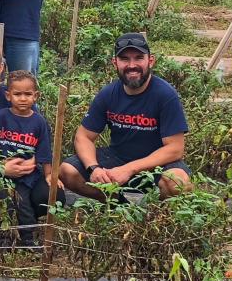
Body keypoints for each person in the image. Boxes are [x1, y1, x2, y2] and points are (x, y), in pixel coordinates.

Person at [60, 33, 193, 201]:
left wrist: (129, 169)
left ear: (150, 61)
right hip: (117, 157)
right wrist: (94, 168)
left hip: (157, 164)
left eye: (138, 58)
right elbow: (83, 136)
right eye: (124, 59)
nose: (132, 65)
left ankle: (159, 216)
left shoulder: (165, 95)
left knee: (177, 182)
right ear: (115, 62)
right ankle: (118, 204)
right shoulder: (108, 94)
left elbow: (175, 148)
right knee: (67, 171)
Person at [0, 71, 57, 246]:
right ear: (8, 96)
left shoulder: (39, 122)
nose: (22, 98)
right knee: (4, 204)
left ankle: (27, 240)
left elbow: (44, 152)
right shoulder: (0, 117)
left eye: (28, 94)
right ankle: (4, 240)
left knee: (23, 206)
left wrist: (48, 175)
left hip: (27, 177)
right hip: (1, 174)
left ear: (35, 96)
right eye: (17, 94)